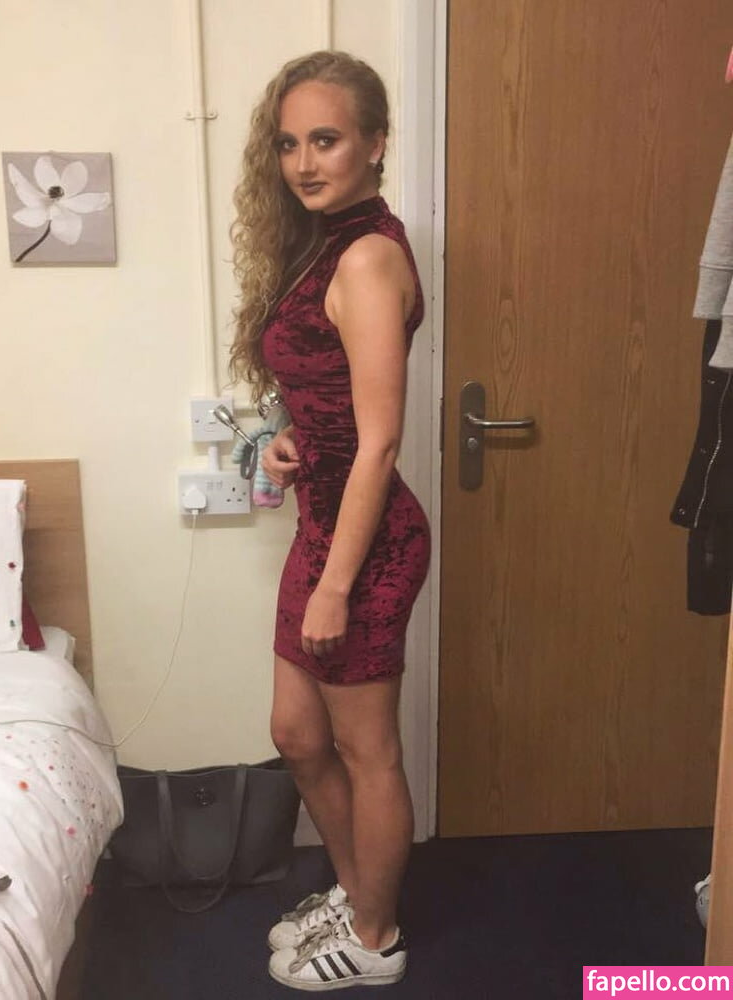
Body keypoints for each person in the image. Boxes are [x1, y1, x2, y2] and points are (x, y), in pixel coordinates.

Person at [229, 50, 430, 991]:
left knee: (364, 747)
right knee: (298, 735)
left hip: (369, 542)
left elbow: (380, 443)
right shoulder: (323, 244)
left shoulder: (370, 255)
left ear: (375, 144)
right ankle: (355, 895)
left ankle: (377, 940)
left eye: (326, 140)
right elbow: (331, 400)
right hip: (322, 521)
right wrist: (285, 437)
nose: (304, 163)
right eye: (288, 144)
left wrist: (338, 586)